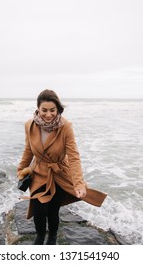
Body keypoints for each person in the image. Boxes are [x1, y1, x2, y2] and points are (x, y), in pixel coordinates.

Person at [17, 89, 107, 245]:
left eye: (53, 110)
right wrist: (21, 169)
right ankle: (39, 237)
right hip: (39, 172)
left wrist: (78, 183)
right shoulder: (29, 125)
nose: (49, 114)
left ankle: (52, 237)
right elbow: (28, 149)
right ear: (38, 108)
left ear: (58, 109)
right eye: (44, 110)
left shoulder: (65, 126)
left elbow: (73, 156)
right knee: (38, 210)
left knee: (52, 210)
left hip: (59, 173)